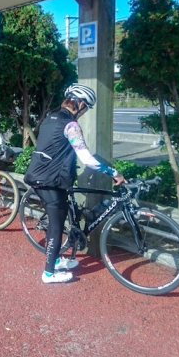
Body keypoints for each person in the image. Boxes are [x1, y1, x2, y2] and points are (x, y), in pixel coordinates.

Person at [24, 83, 126, 284]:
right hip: (49, 182)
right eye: (86, 107)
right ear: (79, 104)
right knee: (56, 226)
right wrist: (114, 173)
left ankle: (61, 259)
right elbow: (87, 158)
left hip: (43, 176)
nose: (85, 112)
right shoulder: (70, 125)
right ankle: (49, 273)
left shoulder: (50, 118)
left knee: (65, 217)